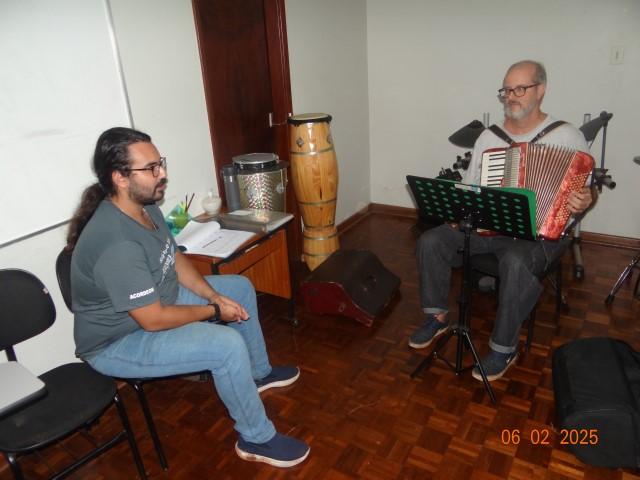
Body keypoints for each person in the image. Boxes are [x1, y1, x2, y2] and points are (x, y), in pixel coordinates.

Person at [67, 127, 309, 467]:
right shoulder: (117, 244)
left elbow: (174, 257)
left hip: (157, 302)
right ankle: (256, 439)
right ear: (119, 178)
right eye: (151, 168)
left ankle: (258, 374)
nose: (162, 174)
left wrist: (213, 294)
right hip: (120, 340)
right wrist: (214, 311)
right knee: (225, 346)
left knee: (238, 288)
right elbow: (153, 320)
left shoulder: (144, 206)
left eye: (160, 163)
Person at [409, 60, 594, 381]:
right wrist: (457, 212)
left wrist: (586, 199)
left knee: (515, 261)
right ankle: (436, 317)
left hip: (542, 236)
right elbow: (471, 187)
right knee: (432, 240)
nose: (511, 96)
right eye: (506, 90)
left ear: (541, 90)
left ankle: (503, 348)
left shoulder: (567, 136)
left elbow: (587, 190)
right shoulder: (489, 138)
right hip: (489, 229)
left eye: (520, 89)